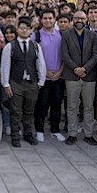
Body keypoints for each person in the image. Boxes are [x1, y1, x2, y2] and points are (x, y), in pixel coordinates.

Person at [1, 16, 47, 147]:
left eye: (27, 28)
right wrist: (6, 84)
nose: (24, 31)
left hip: (32, 82)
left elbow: (41, 64)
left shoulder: (36, 46)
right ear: (17, 29)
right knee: (15, 111)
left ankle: (28, 134)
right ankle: (15, 135)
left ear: (31, 30)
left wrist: (40, 82)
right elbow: (5, 66)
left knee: (29, 111)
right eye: (21, 28)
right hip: (16, 82)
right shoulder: (10, 46)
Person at [61, 10, 97, 146]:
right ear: (73, 20)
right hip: (72, 75)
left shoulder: (93, 35)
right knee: (72, 106)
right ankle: (72, 133)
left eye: (82, 18)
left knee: (88, 107)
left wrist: (85, 69)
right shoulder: (66, 35)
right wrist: (76, 69)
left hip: (89, 76)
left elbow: (95, 55)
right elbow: (65, 55)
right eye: (77, 18)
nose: (79, 20)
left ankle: (89, 134)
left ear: (86, 20)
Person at [34, 9, 65, 142]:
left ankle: (55, 130)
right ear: (41, 20)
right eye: (45, 18)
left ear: (54, 20)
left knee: (57, 104)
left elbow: (65, 56)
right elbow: (33, 58)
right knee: (42, 104)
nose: (48, 21)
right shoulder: (35, 37)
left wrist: (59, 71)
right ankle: (39, 130)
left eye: (50, 18)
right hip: (43, 77)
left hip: (58, 76)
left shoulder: (61, 35)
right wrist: (44, 71)